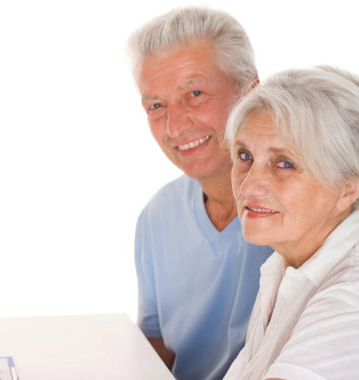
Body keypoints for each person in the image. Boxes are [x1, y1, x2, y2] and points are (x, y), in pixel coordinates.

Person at [127, 7, 273, 379]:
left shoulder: (313, 207)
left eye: (194, 93)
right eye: (156, 106)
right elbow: (157, 350)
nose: (175, 126)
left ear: (251, 89)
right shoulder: (156, 218)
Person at [223, 67, 359, 379]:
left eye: (285, 163)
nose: (248, 186)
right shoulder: (285, 262)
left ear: (348, 188)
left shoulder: (350, 297)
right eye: (244, 156)